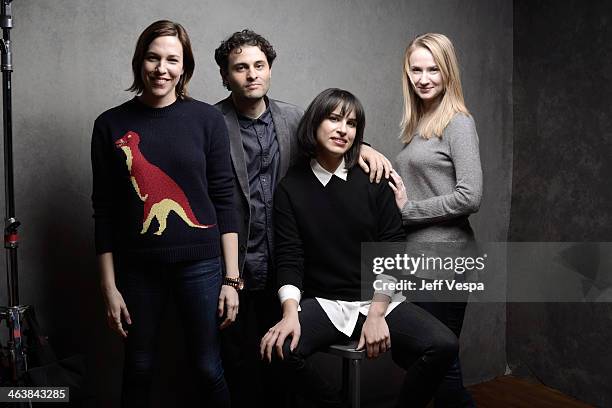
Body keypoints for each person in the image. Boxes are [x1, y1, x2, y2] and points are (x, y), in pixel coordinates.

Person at [213, 29, 393, 407]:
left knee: (282, 364)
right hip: (233, 269)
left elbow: (334, 139)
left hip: (287, 267)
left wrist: (369, 151)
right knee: (239, 366)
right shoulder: (210, 123)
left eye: (259, 65)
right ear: (226, 75)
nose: (252, 75)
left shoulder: (294, 119)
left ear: (270, 69)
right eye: (241, 68)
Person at [260, 88, 459, 408]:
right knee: (279, 350)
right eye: (334, 119)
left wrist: (378, 312)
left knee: (444, 344)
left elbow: (393, 248)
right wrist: (289, 313)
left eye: (351, 123)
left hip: (379, 297)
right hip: (325, 301)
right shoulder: (290, 188)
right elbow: (289, 255)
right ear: (314, 124)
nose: (343, 129)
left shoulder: (374, 178)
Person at [91, 20, 239, 407]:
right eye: (153, 58)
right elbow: (103, 210)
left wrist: (232, 278)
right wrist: (109, 288)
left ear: (184, 67)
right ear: (140, 62)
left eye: (172, 59)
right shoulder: (110, 125)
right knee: (138, 366)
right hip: (137, 268)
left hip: (201, 265)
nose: (162, 68)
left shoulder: (207, 120)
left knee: (208, 367)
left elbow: (225, 199)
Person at [388, 33, 483, 407]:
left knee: (440, 362)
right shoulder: (419, 124)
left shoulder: (458, 122)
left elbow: (471, 195)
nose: (424, 78)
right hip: (419, 259)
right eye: (416, 69)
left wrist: (408, 212)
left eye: (433, 70)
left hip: (447, 259)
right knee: (428, 357)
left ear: (448, 73)